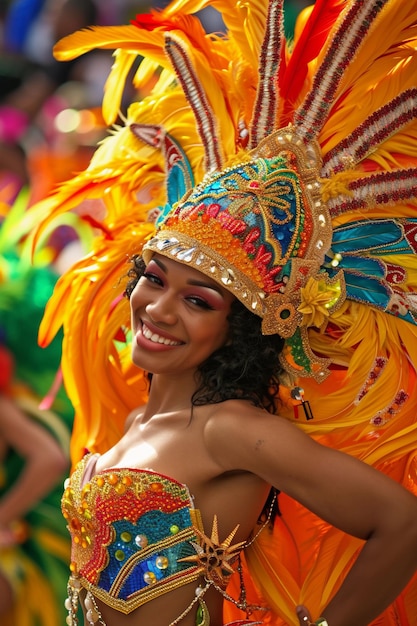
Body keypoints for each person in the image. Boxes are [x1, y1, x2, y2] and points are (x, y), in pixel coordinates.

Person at [26, 0, 417, 624]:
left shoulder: (227, 429)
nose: (159, 309)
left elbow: (399, 521)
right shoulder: (135, 421)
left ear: (235, 327)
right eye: (154, 279)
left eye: (199, 301)